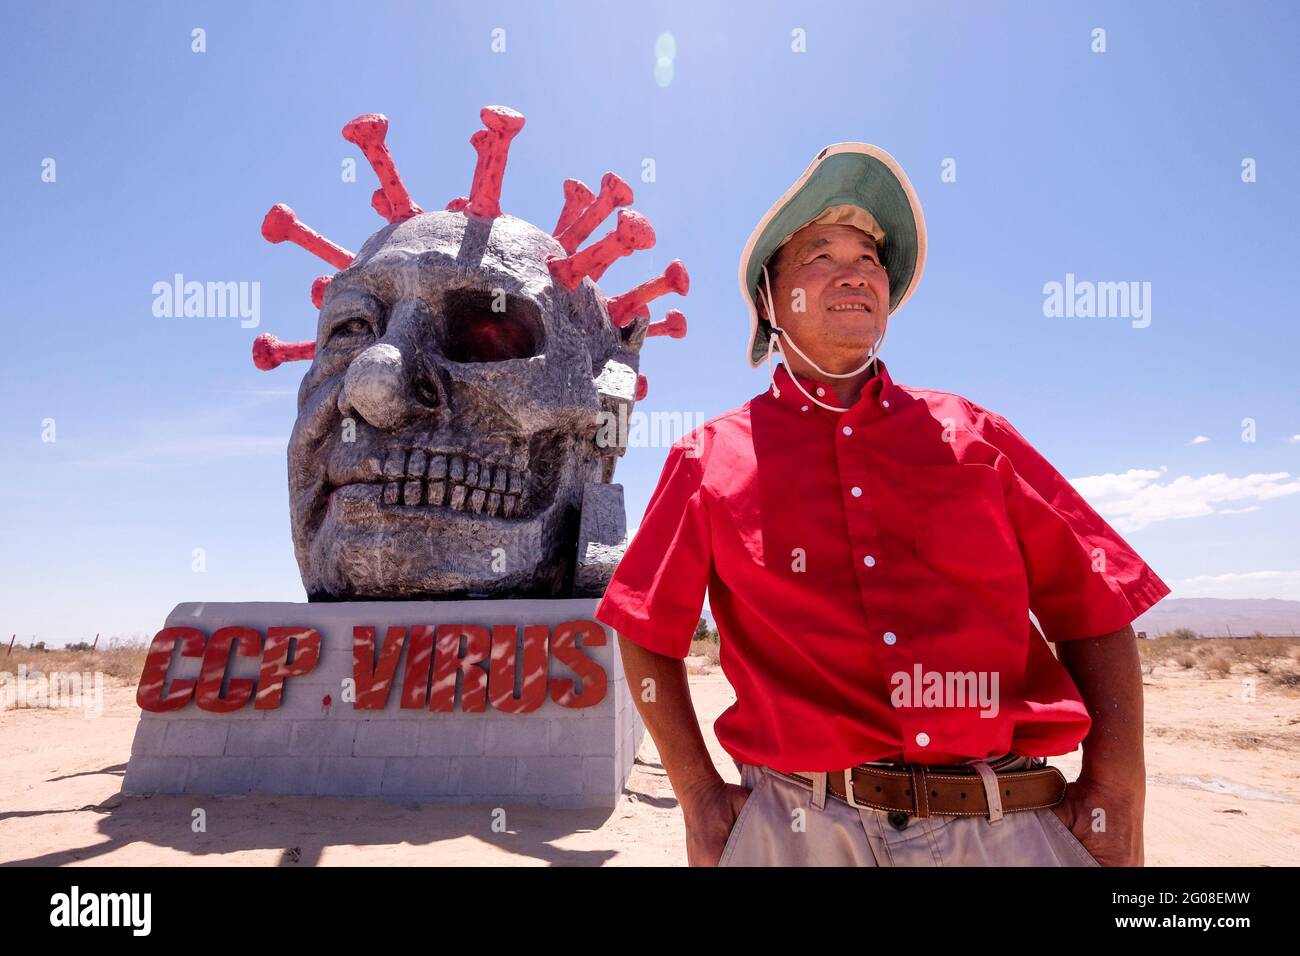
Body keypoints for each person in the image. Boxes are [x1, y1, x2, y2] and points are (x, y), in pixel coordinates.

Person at [594, 142, 1170, 866]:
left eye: (869, 257)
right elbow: (645, 629)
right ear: (771, 302)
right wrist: (699, 796)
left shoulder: (976, 435)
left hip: (1011, 827)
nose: (856, 271)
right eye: (821, 254)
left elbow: (1095, 604)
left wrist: (1119, 788)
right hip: (796, 831)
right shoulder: (707, 458)